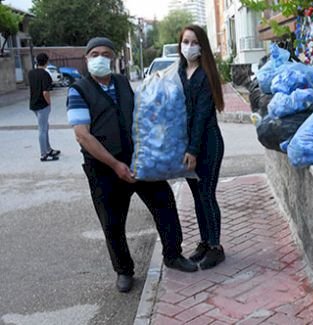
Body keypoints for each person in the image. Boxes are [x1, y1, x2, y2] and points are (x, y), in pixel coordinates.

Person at [66, 37, 198, 293]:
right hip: (104, 168)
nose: (100, 58)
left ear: (113, 58)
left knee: (164, 204)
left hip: (140, 160)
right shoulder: (78, 90)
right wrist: (115, 165)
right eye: (94, 54)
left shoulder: (121, 82)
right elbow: (83, 135)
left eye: (105, 53)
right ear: (86, 58)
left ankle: (173, 255)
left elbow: (142, 114)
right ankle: (124, 271)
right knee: (113, 223)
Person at [177, 25, 226, 269]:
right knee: (196, 196)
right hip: (187, 146)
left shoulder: (205, 75)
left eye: (194, 42)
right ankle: (205, 241)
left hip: (207, 144)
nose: (189, 46)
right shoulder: (179, 71)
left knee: (207, 194)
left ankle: (216, 246)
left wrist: (193, 151)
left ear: (202, 45)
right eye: (185, 41)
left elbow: (201, 117)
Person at [28, 53, 60, 162]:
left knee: (45, 126)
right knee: (42, 129)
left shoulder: (31, 73)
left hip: (33, 104)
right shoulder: (46, 75)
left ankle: (48, 149)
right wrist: (49, 103)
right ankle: (43, 154)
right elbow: (45, 92)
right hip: (42, 105)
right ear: (46, 62)